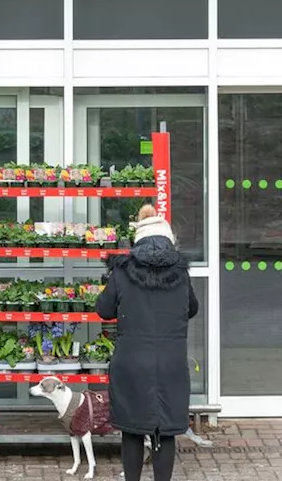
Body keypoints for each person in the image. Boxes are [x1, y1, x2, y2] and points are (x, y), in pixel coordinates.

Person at [96, 204, 198, 481]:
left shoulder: (122, 271)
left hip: (131, 361)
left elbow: (103, 310)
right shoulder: (180, 272)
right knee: (165, 431)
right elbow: (192, 308)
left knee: (132, 428)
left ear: (138, 238)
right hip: (171, 362)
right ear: (167, 237)